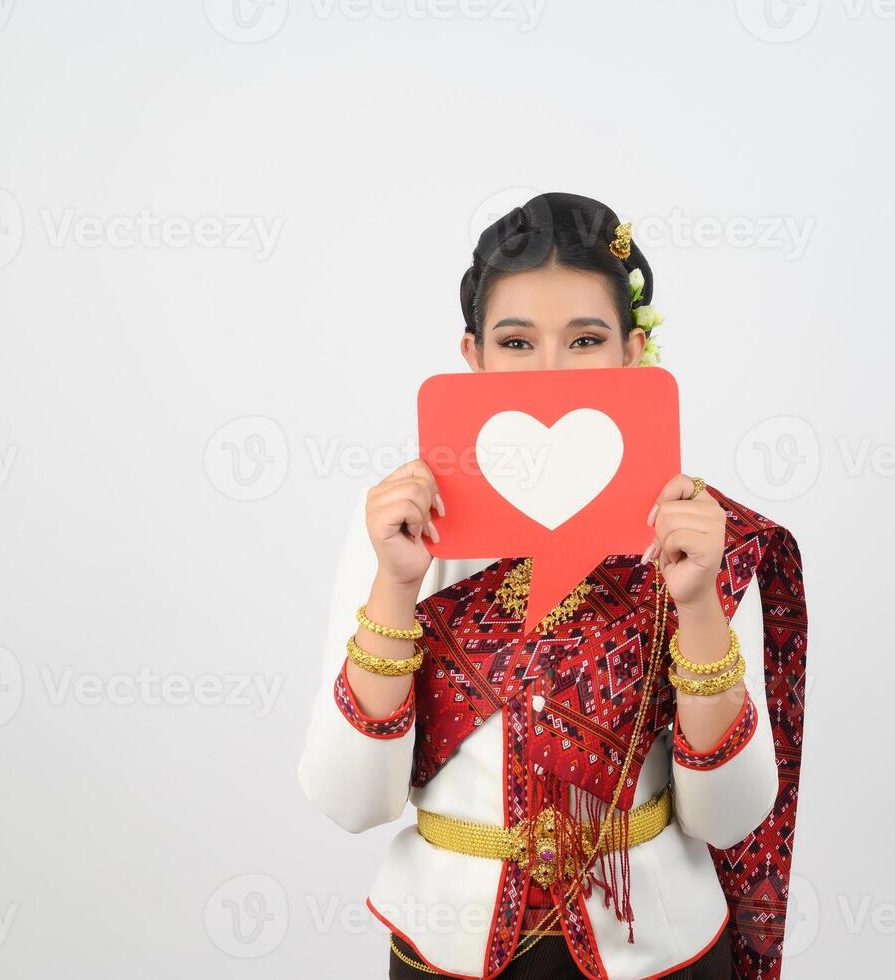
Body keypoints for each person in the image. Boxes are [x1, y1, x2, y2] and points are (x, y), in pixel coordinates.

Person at [299, 193, 809, 979]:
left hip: (660, 951)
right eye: (515, 341)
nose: (549, 371)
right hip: (447, 947)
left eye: (584, 339)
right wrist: (396, 589)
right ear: (471, 357)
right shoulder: (401, 534)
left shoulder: (699, 538)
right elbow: (350, 801)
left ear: (634, 352)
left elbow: (727, 817)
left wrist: (700, 605)